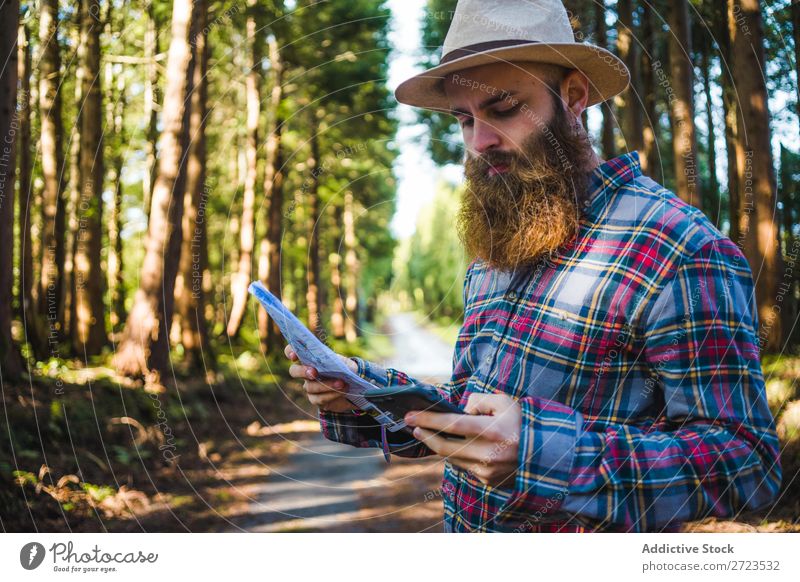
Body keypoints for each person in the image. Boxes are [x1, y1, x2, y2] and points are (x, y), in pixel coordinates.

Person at [285, 0, 781, 532]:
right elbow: (472, 412)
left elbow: (746, 462)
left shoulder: (678, 247)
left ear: (571, 97)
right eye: (464, 118)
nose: (479, 142)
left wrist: (543, 453)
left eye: (502, 109)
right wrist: (362, 390)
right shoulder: (500, 243)